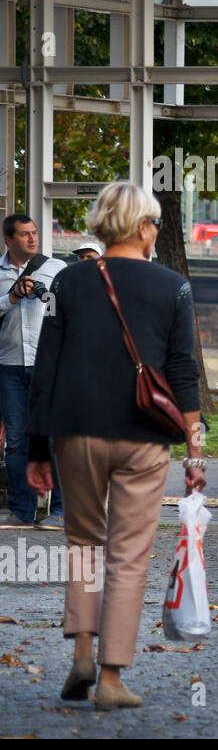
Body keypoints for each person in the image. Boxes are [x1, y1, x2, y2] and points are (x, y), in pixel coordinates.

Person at [26, 182, 204, 710]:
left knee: (84, 542)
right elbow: (184, 374)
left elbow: (46, 369)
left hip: (75, 431)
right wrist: (195, 452)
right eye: (155, 225)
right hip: (144, 437)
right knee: (127, 555)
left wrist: (37, 450)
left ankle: (82, 649)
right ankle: (110, 677)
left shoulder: (68, 282)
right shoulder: (174, 287)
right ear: (145, 227)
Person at [0, 214, 66, 528]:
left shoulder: (56, 269)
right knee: (16, 440)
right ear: (8, 239)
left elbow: (66, 310)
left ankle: (61, 511)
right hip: (10, 366)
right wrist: (12, 296)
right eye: (24, 234)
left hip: (48, 365)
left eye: (35, 233)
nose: (32, 239)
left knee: (55, 438)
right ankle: (21, 511)